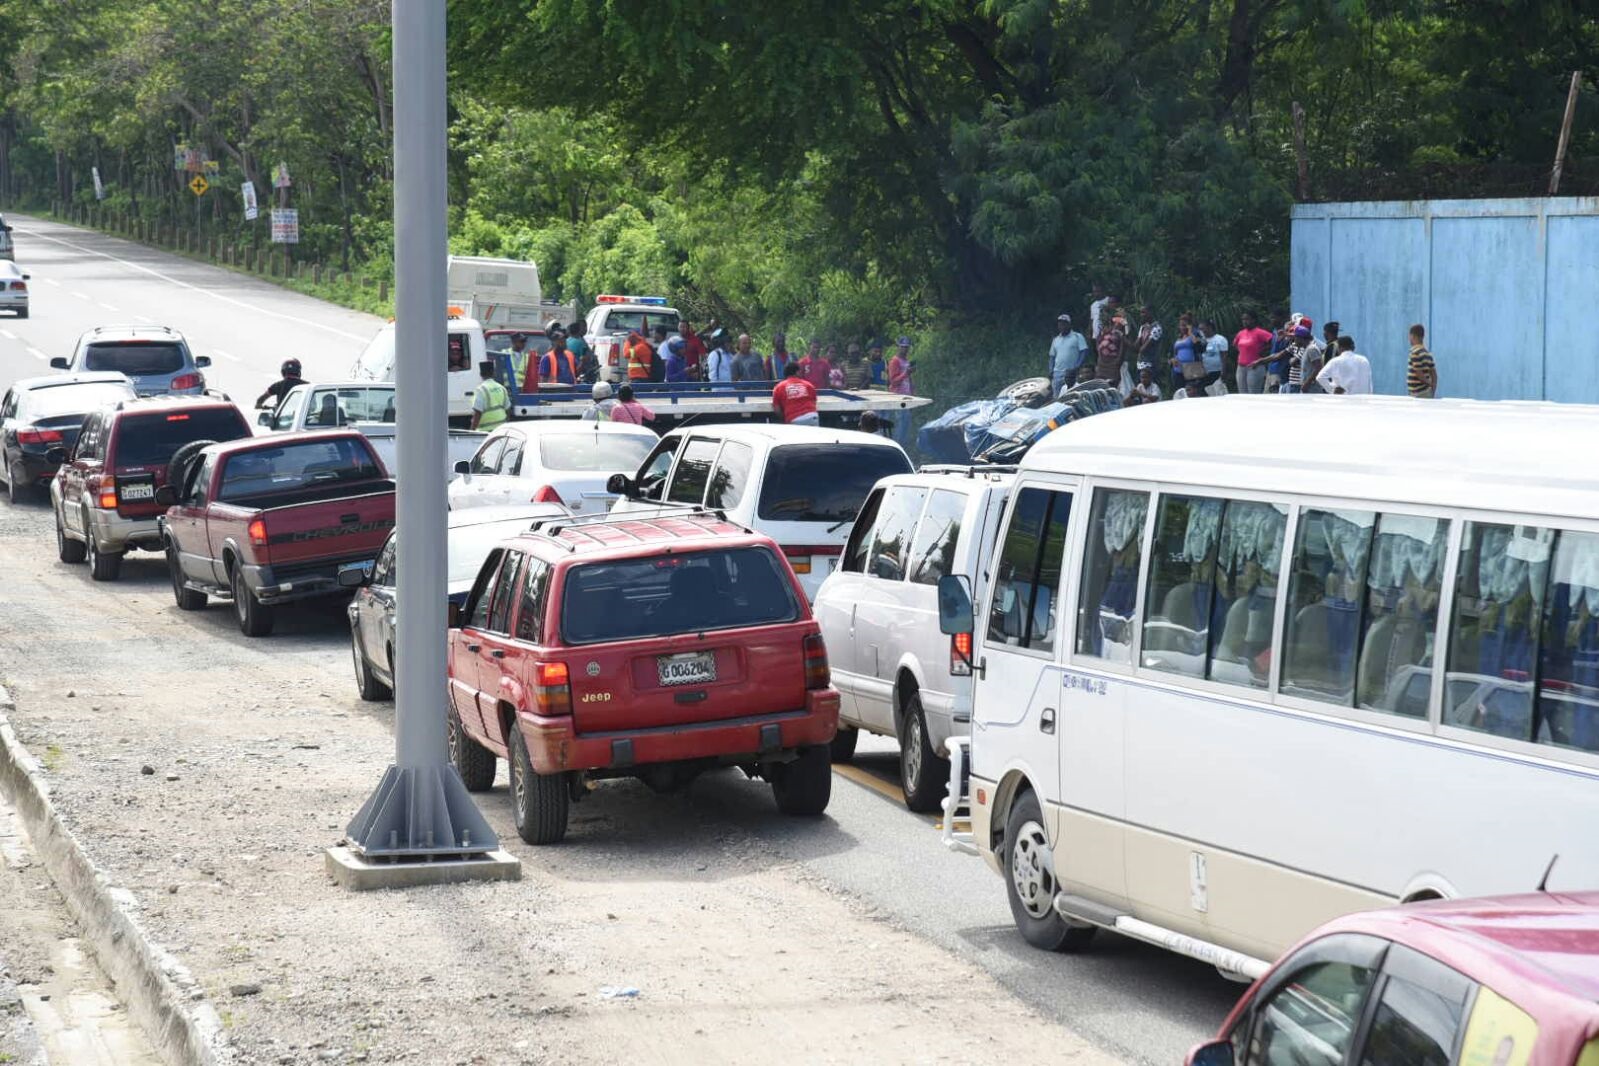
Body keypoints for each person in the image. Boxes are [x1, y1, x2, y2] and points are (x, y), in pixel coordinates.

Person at [1232, 312, 1275, 394]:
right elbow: (1235, 344)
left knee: (1253, 393)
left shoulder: (1259, 332)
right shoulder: (1241, 333)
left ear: (1253, 320)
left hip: (1255, 366)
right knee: (1242, 393)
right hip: (1241, 367)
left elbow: (1273, 341)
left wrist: (1264, 350)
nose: (1244, 321)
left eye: (1247, 319)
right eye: (1243, 319)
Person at [1048, 314, 1089, 399]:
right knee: (1057, 397)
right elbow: (1052, 356)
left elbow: (1084, 352)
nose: (1061, 326)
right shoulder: (1056, 339)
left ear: (1069, 324)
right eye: (1060, 324)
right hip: (1057, 373)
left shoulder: (1077, 337)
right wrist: (1051, 370)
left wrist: (1077, 366)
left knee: (1072, 396)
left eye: (1064, 323)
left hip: (1071, 373)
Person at [887, 336, 915, 448]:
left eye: (907, 347)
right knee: (900, 425)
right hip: (898, 397)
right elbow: (893, 381)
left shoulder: (906, 361)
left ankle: (904, 448)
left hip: (907, 397)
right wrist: (906, 374)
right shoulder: (894, 361)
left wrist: (913, 393)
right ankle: (896, 447)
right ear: (898, 347)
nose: (905, 349)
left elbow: (909, 379)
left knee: (906, 426)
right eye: (903, 347)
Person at [470, 360, 511, 430]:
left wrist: (471, 432)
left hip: (486, 432)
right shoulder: (501, 388)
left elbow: (478, 413)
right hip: (500, 430)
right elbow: (508, 409)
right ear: (493, 373)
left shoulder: (480, 390)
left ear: (481, 374)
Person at [1170, 314, 1201, 393]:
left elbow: (1198, 345)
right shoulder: (1178, 338)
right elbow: (1173, 353)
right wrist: (1172, 360)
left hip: (1191, 368)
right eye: (1181, 325)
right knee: (1180, 391)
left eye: (1185, 325)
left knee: (1191, 391)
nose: (1183, 327)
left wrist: (1190, 332)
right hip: (1178, 369)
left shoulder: (1195, 334)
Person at [1280, 324, 1315, 394]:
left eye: (1295, 337)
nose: (1294, 339)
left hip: (1299, 383)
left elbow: (1293, 362)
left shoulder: (1309, 348)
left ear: (1301, 338)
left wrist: (1307, 382)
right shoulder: (1295, 345)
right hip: (1293, 382)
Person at [1092, 314, 1126, 386]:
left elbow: (1122, 348)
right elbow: (1097, 343)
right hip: (1102, 362)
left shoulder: (1120, 334)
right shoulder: (1103, 332)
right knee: (1099, 384)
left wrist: (1118, 360)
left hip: (1113, 362)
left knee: (1112, 384)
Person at [1407, 324, 1437, 398]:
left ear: (1413, 336)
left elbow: (1418, 373)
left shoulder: (1414, 352)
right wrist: (1433, 389)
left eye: (1409, 336)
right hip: (1426, 392)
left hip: (1417, 394)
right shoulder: (1427, 354)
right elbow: (1434, 374)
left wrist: (1429, 383)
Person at [1135, 305, 1164, 374]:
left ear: (1150, 313)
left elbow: (1143, 349)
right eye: (1141, 313)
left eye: (1144, 312)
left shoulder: (1157, 328)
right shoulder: (1143, 327)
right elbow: (1135, 346)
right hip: (1140, 364)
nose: (1141, 315)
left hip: (1150, 365)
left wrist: (1137, 348)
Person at [1200, 320, 1228, 388]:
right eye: (1200, 329)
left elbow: (1224, 356)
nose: (1201, 331)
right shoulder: (1200, 340)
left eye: (1202, 328)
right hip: (1204, 372)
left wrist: (1223, 371)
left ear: (1209, 327)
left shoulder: (1220, 339)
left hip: (1217, 371)